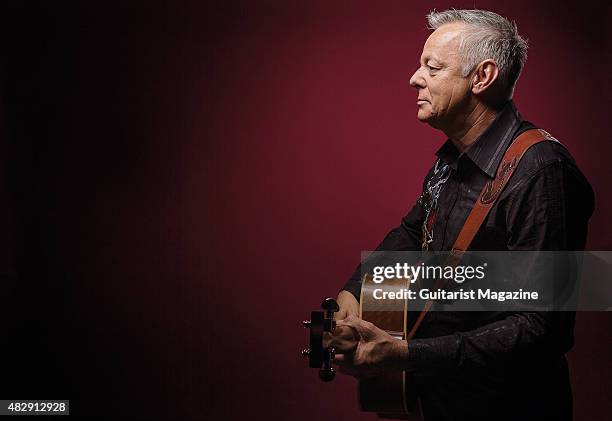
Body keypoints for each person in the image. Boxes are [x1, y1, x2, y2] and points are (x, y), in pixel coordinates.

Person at [331, 9, 594, 421]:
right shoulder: (453, 158)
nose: (414, 79)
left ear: (482, 77)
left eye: (432, 67)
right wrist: (354, 293)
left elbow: (542, 328)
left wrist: (405, 353)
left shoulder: (542, 171)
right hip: (435, 402)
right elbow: (410, 231)